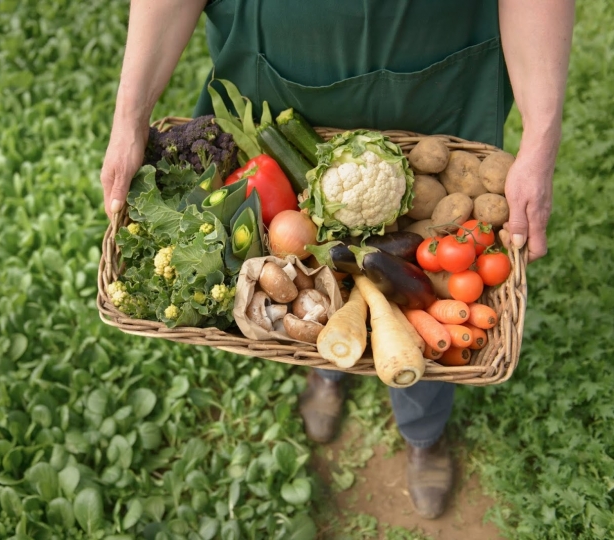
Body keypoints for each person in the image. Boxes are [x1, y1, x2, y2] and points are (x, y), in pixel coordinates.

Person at [101, 0, 575, 520]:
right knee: (317, 284)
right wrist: (129, 117)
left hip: (436, 81)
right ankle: (327, 367)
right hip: (280, 79)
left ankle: (423, 428)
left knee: (432, 296)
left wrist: (542, 135)